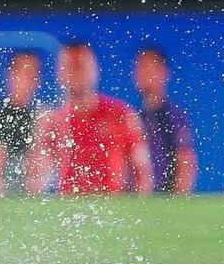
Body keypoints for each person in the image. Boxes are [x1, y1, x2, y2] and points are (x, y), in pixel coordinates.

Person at [31, 42, 153, 196]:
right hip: (67, 211)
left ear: (95, 70)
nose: (76, 74)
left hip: (113, 206)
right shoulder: (53, 121)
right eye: (70, 68)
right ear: (59, 74)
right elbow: (37, 178)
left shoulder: (121, 114)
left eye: (81, 67)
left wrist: (138, 212)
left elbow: (143, 172)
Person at [133, 47, 198, 193]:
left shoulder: (172, 116)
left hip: (164, 203)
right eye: (140, 67)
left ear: (164, 73)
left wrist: (175, 205)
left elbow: (186, 163)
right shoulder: (135, 116)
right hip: (140, 204)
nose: (143, 73)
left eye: (149, 68)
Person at [0, 51, 44, 196]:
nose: (29, 80)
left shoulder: (41, 115)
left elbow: (41, 171)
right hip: (7, 194)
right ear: (11, 75)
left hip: (34, 195)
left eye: (34, 75)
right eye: (24, 73)